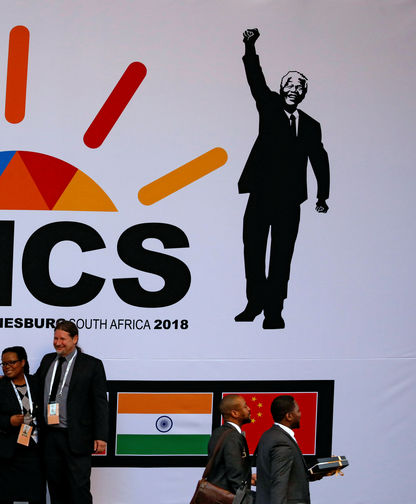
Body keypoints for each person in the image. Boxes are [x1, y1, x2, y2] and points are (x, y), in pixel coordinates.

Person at [235, 27, 331, 330]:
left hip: (289, 202)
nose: (293, 89)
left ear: (304, 93)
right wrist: (250, 47)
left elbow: (320, 158)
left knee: (280, 258)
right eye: (289, 84)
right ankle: (254, 304)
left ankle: (273, 312)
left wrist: (322, 196)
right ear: (281, 87)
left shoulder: (311, 126)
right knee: (253, 250)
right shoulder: (269, 105)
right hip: (260, 195)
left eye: (299, 86)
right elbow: (254, 79)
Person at [35, 320, 108, 504]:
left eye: (63, 338)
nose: (58, 342)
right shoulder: (47, 360)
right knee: (55, 487)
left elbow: (100, 402)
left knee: (79, 488)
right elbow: (33, 383)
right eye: (55, 338)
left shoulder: (92, 365)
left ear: (75, 339)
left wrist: (101, 436)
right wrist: (10, 375)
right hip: (50, 437)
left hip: (77, 436)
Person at [0, 346, 45, 504]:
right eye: (4, 364)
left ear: (23, 362)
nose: (7, 367)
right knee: (4, 497)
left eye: (11, 362)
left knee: (36, 496)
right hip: (4, 451)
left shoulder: (37, 383)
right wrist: (8, 421)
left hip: (32, 449)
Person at [255, 395, 321, 504]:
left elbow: (289, 476)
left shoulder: (268, 435)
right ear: (289, 416)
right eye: (298, 411)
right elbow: (279, 484)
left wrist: (320, 472)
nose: (300, 414)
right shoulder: (282, 442)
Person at [206, 395, 254, 494]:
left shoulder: (218, 432)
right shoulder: (233, 437)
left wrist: (248, 478)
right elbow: (235, 476)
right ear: (234, 413)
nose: (249, 409)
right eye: (245, 406)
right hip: (228, 499)